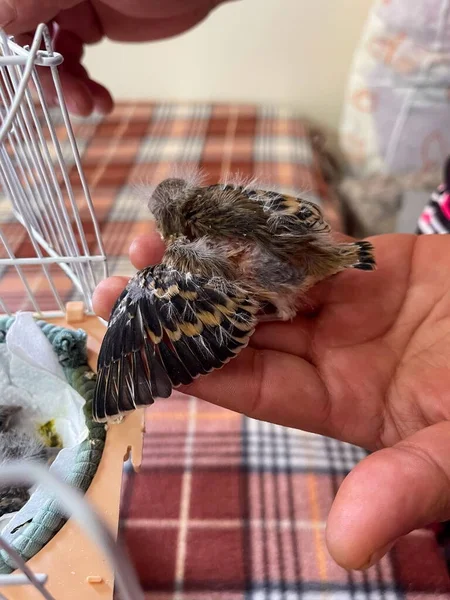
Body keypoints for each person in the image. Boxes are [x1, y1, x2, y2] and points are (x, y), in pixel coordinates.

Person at [4, 0, 450, 573]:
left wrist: (128, 362)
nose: (164, 238)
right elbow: (289, 216)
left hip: (305, 275)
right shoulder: (230, 204)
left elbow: (212, 285)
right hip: (327, 253)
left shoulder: (176, 272)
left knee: (141, 301)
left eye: (170, 229)